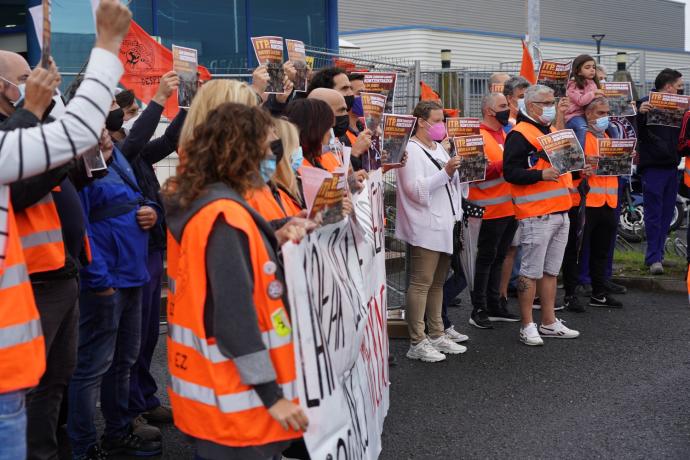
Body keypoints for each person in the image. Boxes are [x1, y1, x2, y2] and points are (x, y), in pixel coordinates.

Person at [0, 1, 132, 458]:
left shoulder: (24, 129)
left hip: (61, 272)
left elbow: (59, 181)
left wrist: (85, 165)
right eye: (23, 80)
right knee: (29, 395)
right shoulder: (10, 134)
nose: (32, 86)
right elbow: (20, 191)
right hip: (31, 284)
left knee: (57, 380)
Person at [164, 102, 309, 460]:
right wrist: (272, 397)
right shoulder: (224, 218)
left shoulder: (212, 206)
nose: (270, 159)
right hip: (238, 405)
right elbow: (233, 317)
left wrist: (273, 235)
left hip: (222, 399)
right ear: (240, 153)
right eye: (265, 150)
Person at [503, 84, 580, 346]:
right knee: (530, 272)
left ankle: (548, 321)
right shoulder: (519, 134)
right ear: (532, 105)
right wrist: (540, 174)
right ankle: (527, 325)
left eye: (552, 102)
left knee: (550, 272)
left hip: (560, 210)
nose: (551, 107)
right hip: (536, 214)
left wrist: (583, 167)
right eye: (546, 103)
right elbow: (510, 172)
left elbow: (566, 167)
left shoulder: (551, 131)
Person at [396, 100, 467, 362]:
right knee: (421, 283)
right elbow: (415, 190)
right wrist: (446, 172)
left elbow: (453, 185)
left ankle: (436, 333)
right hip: (425, 225)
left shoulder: (438, 147)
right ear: (421, 122)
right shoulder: (411, 150)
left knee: (437, 283)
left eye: (443, 120)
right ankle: (417, 340)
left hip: (445, 223)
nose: (442, 126)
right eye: (437, 121)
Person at [562, 98, 623, 312]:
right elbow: (567, 166)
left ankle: (599, 294)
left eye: (607, 112)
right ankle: (570, 294)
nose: (604, 117)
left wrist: (626, 159)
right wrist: (584, 165)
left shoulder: (609, 136)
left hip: (608, 201)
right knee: (575, 251)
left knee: (601, 251)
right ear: (588, 115)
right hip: (585, 202)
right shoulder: (580, 136)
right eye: (600, 113)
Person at [468, 93, 520, 328]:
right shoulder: (475, 136)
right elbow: (476, 173)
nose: (507, 109)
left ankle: (495, 303)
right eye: (502, 106)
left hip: (509, 207)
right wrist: (506, 163)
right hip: (488, 208)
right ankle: (478, 308)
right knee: (486, 259)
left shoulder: (507, 133)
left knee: (499, 257)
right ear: (489, 111)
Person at [637, 68, 684, 275]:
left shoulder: (680, 106)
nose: (681, 91)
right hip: (653, 167)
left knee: (666, 214)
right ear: (668, 86)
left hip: (672, 165)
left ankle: (658, 255)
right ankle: (653, 257)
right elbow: (631, 129)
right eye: (679, 87)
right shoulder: (645, 103)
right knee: (653, 214)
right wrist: (640, 113)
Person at [285, 98, 338, 171]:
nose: (331, 134)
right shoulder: (294, 167)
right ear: (315, 130)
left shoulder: (313, 160)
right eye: (329, 128)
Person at [565, 54, 605, 148]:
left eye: (593, 67)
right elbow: (580, 101)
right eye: (587, 67)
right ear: (578, 71)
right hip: (573, 116)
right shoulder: (572, 85)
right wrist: (594, 93)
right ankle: (580, 155)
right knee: (582, 127)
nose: (592, 70)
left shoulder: (593, 83)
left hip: (587, 115)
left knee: (612, 127)